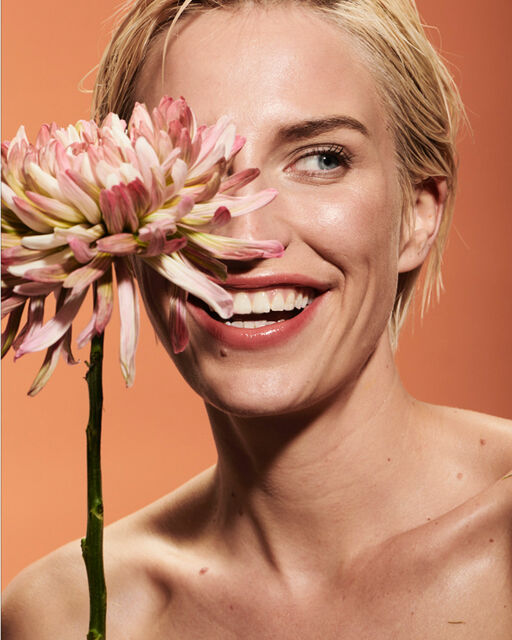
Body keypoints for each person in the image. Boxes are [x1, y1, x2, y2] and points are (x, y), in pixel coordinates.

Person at [3, 0, 512, 638]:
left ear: (417, 215)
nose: (246, 237)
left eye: (323, 159)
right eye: (192, 175)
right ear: (119, 220)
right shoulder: (62, 615)